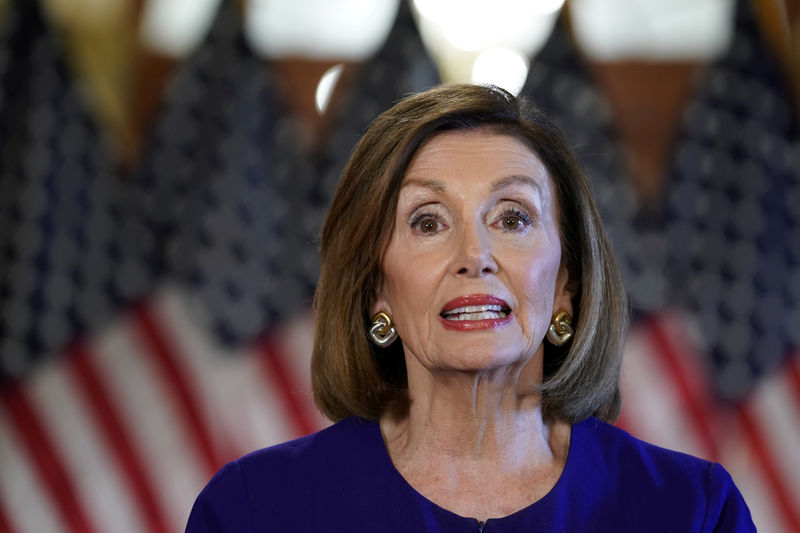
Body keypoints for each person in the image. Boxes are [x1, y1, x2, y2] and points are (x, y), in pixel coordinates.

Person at [186, 84, 754, 532]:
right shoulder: (255, 511)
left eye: (513, 218)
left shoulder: (691, 511)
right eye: (428, 221)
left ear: (566, 285)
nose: (474, 256)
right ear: (374, 289)